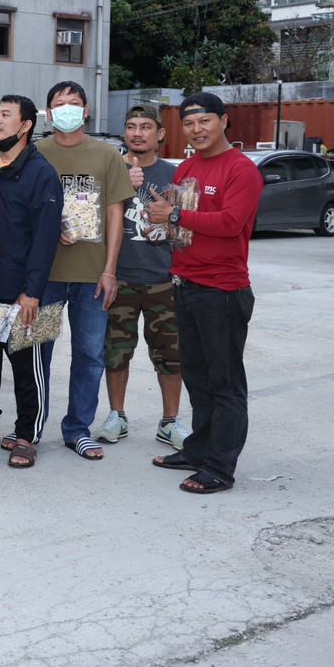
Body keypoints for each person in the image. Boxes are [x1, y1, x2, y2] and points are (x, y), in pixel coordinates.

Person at [145, 93, 263, 494]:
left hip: (223, 290)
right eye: (189, 123)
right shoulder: (187, 167)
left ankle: (220, 466)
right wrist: (161, 224)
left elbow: (230, 223)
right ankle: (198, 450)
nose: (197, 130)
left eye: (205, 121)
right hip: (185, 283)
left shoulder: (241, 169)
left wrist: (175, 214)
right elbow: (180, 224)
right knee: (196, 376)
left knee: (225, 383)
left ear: (224, 121)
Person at [35, 81, 134, 462]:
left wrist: (110, 271)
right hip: (44, 277)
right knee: (36, 354)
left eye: (74, 103)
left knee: (90, 355)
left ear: (86, 111)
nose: (67, 109)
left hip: (92, 277)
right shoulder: (35, 153)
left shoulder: (107, 155)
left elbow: (115, 216)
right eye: (59, 104)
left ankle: (78, 429)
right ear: (48, 113)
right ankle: (30, 427)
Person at [97, 105, 191, 450]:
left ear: (160, 134)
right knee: (115, 352)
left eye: (146, 127)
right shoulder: (110, 168)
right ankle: (116, 415)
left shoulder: (174, 174)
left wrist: (166, 225)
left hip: (163, 278)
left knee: (170, 354)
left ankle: (170, 421)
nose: (138, 133)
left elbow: (184, 228)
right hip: (118, 277)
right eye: (132, 126)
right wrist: (123, 183)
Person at [0, 95, 60, 468]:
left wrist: (33, 292)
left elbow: (46, 238)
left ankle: (27, 434)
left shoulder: (42, 173)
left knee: (29, 368)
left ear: (26, 125)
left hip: (29, 291)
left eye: (6, 115)